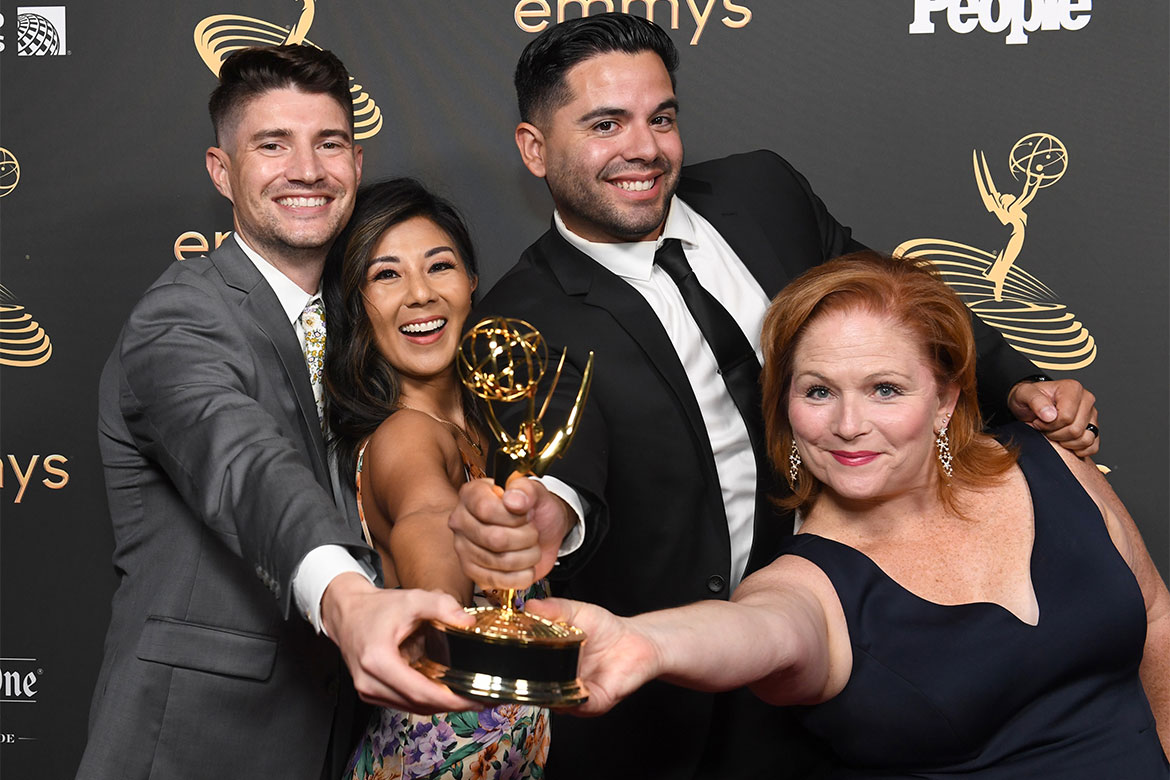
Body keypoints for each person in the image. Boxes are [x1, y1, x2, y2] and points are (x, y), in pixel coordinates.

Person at [448, 13, 1102, 780]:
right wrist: (542, 517)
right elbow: (565, 468)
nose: (643, 149)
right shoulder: (522, 317)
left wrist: (1016, 382)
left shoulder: (762, 191)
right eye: (605, 123)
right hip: (684, 692)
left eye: (661, 118)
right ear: (535, 148)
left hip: (873, 630)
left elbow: (897, 300)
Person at [528, 252, 1170, 777]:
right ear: (785, 406)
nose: (848, 426)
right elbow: (760, 631)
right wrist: (647, 641)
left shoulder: (1051, 465)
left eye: (885, 389)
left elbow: (1159, 625)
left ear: (944, 399)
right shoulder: (808, 585)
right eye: (818, 392)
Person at [79, 46, 472, 780]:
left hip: (345, 738)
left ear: (356, 165)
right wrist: (347, 598)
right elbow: (242, 462)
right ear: (222, 172)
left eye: (328, 143)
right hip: (197, 745)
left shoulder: (372, 326)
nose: (307, 170)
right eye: (272, 144)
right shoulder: (180, 316)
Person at [324, 178, 550, 780]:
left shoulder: (484, 422)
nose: (419, 295)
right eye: (387, 275)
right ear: (356, 304)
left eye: (439, 266)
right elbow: (429, 519)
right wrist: (445, 608)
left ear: (472, 282)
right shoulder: (406, 437)